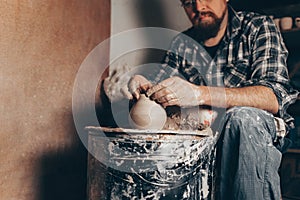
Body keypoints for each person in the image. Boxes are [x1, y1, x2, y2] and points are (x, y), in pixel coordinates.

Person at [123, 0, 299, 199]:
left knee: (241, 118)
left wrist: (199, 93)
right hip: (200, 140)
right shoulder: (181, 43)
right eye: (189, 2)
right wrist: (144, 87)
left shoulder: (257, 27)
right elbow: (157, 93)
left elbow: (273, 97)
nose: (199, 7)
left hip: (250, 133)